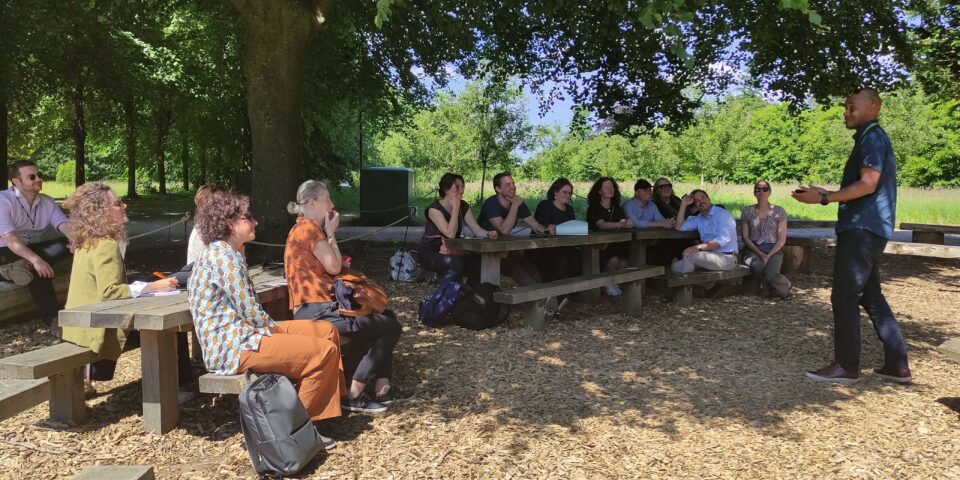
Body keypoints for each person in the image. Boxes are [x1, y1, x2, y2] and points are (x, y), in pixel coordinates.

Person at [188, 188, 345, 447]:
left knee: (326, 331)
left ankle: (328, 407)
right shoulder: (223, 257)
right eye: (248, 217)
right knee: (322, 352)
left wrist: (281, 332)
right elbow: (252, 313)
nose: (255, 222)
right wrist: (282, 334)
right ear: (229, 223)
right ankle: (295, 432)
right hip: (234, 347)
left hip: (247, 333)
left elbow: (252, 316)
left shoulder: (228, 252)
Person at [793, 87, 910, 385]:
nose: (846, 112)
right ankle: (897, 365)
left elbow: (868, 184)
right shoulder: (871, 138)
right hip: (872, 228)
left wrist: (824, 198)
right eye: (845, 107)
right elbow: (865, 185)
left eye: (851, 107)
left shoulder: (872, 136)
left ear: (873, 108)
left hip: (861, 229)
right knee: (871, 297)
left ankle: (846, 366)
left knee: (844, 296)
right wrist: (826, 193)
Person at [286, 180, 412, 412]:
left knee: (385, 316)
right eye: (327, 200)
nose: (332, 204)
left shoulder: (305, 229)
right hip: (315, 312)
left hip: (322, 308)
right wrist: (331, 233)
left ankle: (382, 389)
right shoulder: (308, 230)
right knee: (390, 327)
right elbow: (334, 267)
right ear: (313, 203)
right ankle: (352, 394)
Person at [58, 183, 181, 397]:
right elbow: (110, 292)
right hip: (95, 331)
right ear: (101, 211)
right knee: (170, 329)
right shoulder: (106, 243)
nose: (124, 205)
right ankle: (173, 391)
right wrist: (153, 286)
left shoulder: (87, 239)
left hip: (78, 326)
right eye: (117, 203)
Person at [0, 160, 73, 326]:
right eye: (31, 177)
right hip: (4, 250)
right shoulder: (3, 200)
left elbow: (64, 224)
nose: (37, 179)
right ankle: (53, 319)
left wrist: (75, 240)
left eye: (39, 175)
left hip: (26, 250)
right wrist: (36, 260)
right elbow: (10, 239)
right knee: (38, 267)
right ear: (16, 182)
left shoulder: (46, 201)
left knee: (66, 244)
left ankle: (17, 267)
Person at [418, 173, 495, 286]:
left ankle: (469, 295)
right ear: (446, 190)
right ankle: (448, 295)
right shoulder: (434, 210)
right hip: (430, 250)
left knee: (477, 264)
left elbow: (477, 229)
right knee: (455, 264)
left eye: (463, 187)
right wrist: (455, 208)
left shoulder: (463, 206)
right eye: (456, 188)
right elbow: (450, 234)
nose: (461, 191)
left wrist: (488, 233)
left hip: (452, 249)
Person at [476, 172, 546, 287]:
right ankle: (539, 300)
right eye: (508, 184)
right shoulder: (491, 204)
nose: (513, 187)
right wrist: (514, 206)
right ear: (498, 189)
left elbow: (536, 226)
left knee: (530, 267)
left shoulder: (518, 203)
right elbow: (504, 230)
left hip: (505, 248)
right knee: (517, 270)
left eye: (513, 183)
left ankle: (545, 297)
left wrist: (552, 230)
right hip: (486, 251)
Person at [741, 181, 791, 299]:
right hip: (752, 249)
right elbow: (745, 237)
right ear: (754, 192)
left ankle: (787, 285)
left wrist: (768, 256)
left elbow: (781, 239)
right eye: (758, 189)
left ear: (770, 192)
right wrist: (760, 254)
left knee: (771, 275)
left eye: (765, 189)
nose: (761, 192)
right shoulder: (747, 211)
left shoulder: (779, 211)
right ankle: (772, 292)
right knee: (757, 266)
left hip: (774, 248)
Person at [586, 177, 633, 296]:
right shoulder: (593, 208)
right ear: (599, 191)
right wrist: (620, 224)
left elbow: (623, 221)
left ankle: (615, 284)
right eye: (606, 187)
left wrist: (626, 224)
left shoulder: (617, 208)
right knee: (614, 260)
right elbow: (600, 224)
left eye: (612, 187)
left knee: (624, 262)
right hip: (599, 246)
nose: (610, 189)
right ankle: (606, 283)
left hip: (617, 244)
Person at [671, 189, 738, 274]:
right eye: (697, 201)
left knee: (689, 256)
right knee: (675, 267)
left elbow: (720, 241)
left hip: (726, 258)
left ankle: (687, 285)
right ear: (695, 205)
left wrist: (697, 247)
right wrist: (683, 205)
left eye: (702, 197)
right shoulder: (699, 218)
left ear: (709, 199)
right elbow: (679, 227)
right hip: (708, 256)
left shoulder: (723, 215)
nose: (701, 201)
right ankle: (702, 285)